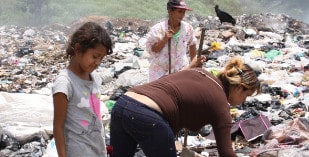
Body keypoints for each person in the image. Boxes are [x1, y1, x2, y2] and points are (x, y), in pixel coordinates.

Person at [110, 56, 261, 157]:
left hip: (123, 104)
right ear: (240, 87)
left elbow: (166, 81)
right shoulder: (221, 105)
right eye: (246, 95)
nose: (243, 102)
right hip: (148, 116)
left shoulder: (199, 72)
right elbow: (226, 153)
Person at [52, 21, 113, 157]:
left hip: (97, 148)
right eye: (95, 56)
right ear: (78, 49)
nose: (97, 62)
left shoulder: (95, 77)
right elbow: (58, 127)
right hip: (77, 151)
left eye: (101, 59)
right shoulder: (65, 83)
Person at [146, 0, 205, 82]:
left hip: (181, 71)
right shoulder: (158, 29)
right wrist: (164, 39)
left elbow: (192, 49)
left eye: (184, 12)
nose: (182, 15)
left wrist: (196, 63)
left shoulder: (188, 28)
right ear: (170, 10)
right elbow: (153, 50)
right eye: (179, 11)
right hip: (160, 72)